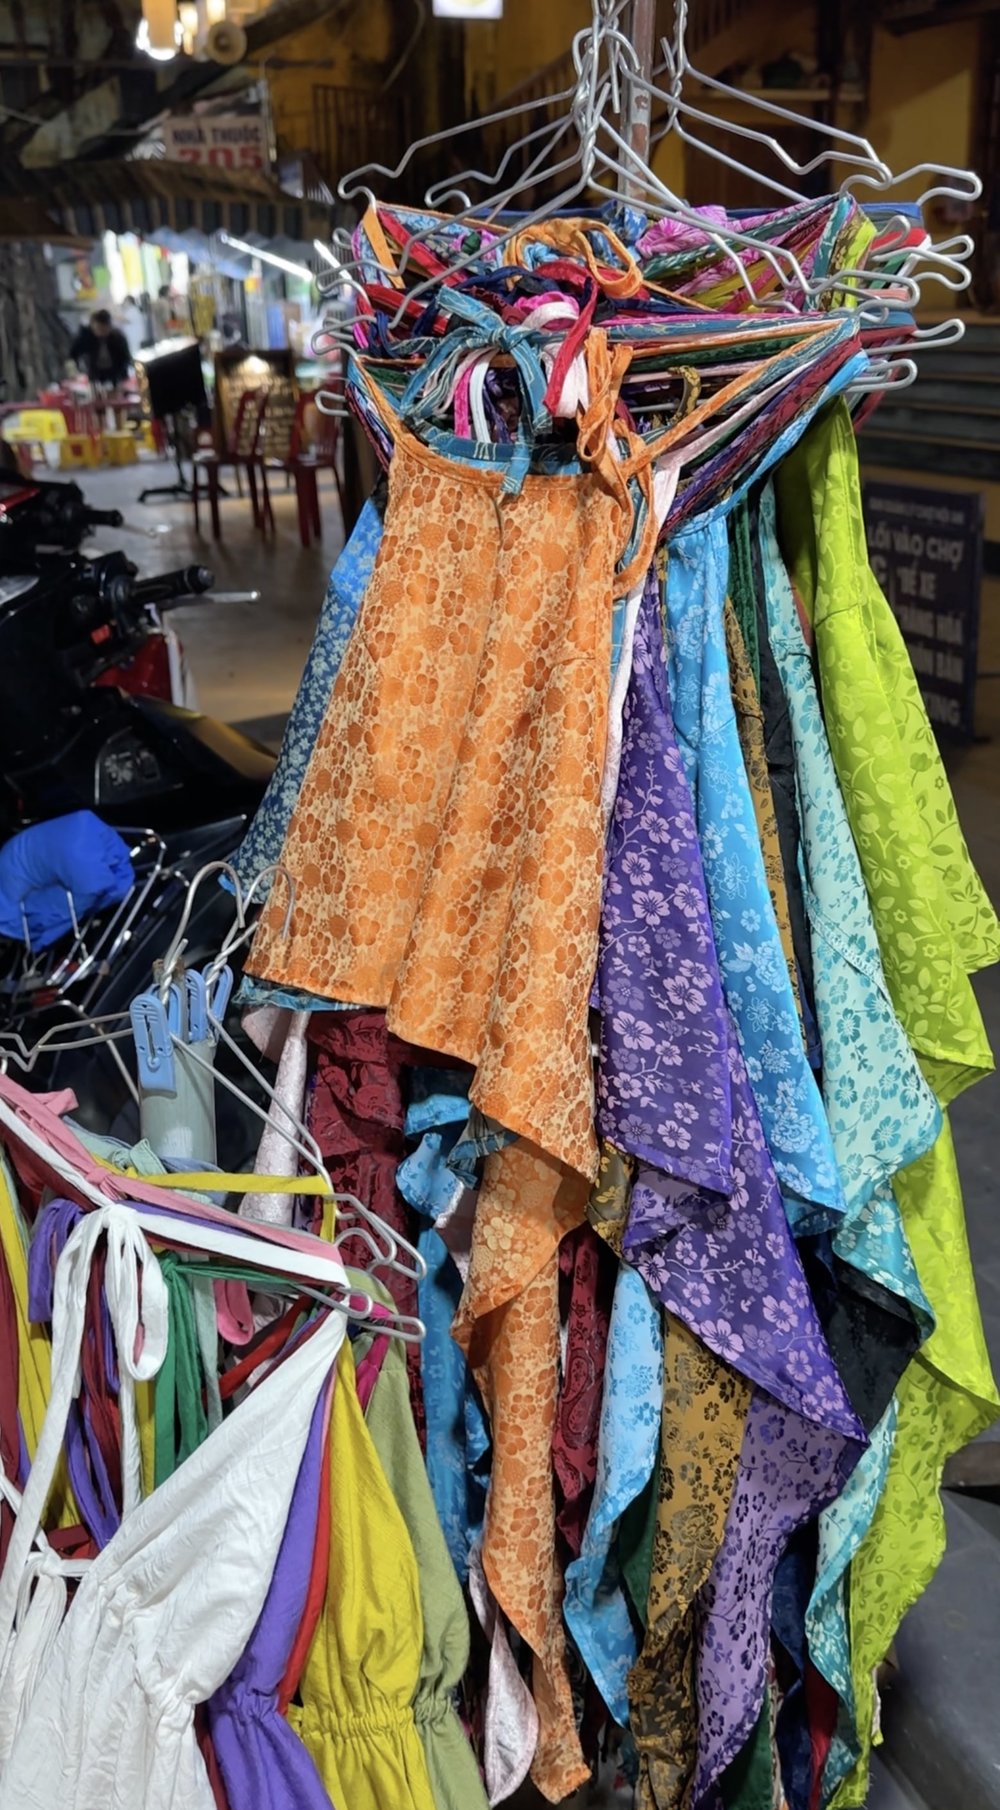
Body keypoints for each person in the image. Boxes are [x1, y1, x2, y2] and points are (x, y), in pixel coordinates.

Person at [69, 309, 132, 387]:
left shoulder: (118, 337)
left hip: (116, 376)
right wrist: (77, 370)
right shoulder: (86, 337)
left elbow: (126, 358)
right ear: (92, 326)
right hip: (95, 376)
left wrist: (121, 377)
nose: (102, 332)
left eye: (105, 329)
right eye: (98, 329)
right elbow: (73, 353)